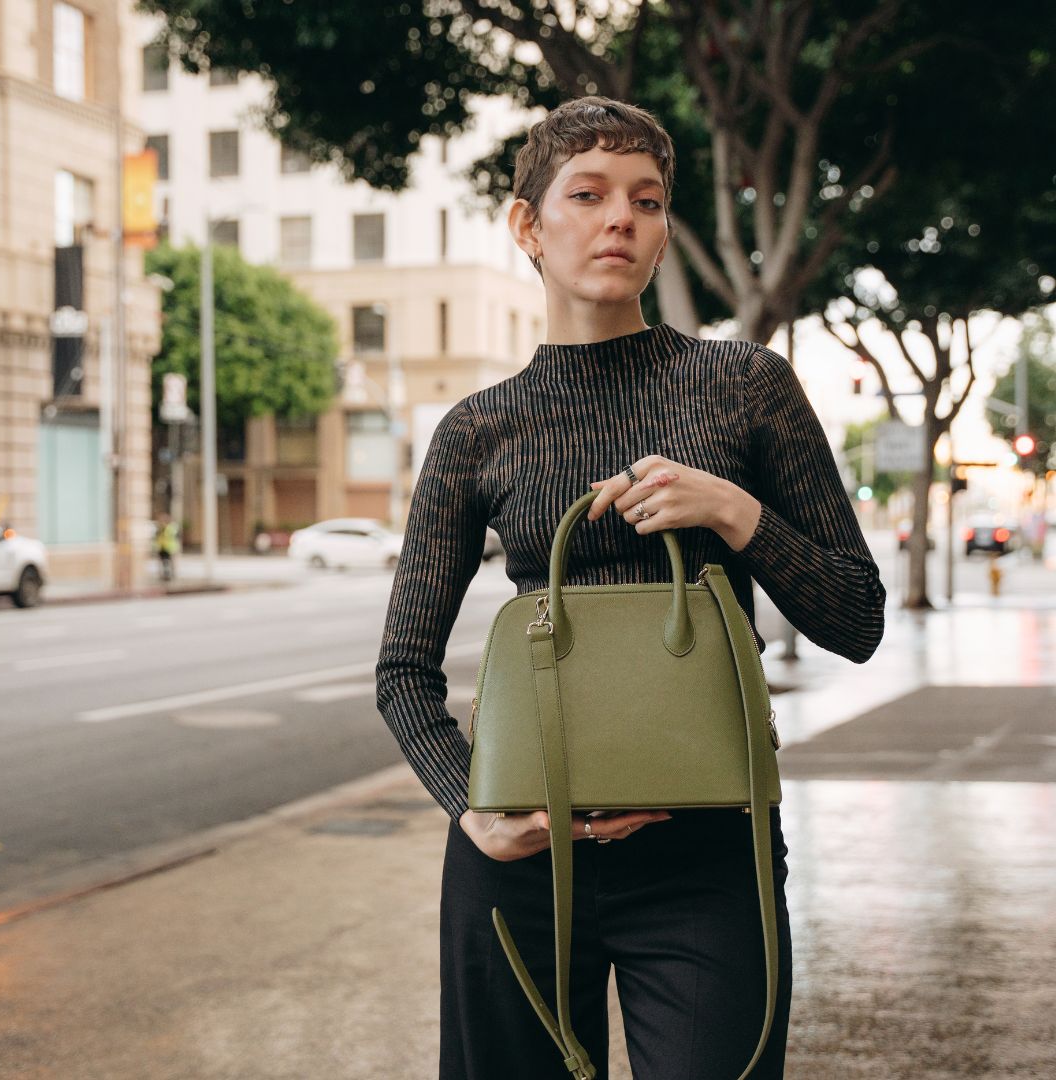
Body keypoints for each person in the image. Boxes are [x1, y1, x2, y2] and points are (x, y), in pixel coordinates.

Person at [375, 96, 886, 1079]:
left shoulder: (745, 384)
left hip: (708, 853)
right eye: (589, 194)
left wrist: (735, 513)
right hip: (521, 858)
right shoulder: (478, 429)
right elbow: (403, 670)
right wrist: (471, 811)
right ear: (527, 225)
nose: (622, 218)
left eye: (648, 201)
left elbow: (857, 617)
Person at [154, 512, 179, 582]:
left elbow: (174, 537)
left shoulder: (171, 528)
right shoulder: (159, 528)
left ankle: (171, 575)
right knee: (163, 562)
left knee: (170, 562)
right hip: (162, 548)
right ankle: (164, 575)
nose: (161, 522)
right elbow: (157, 538)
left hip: (170, 548)